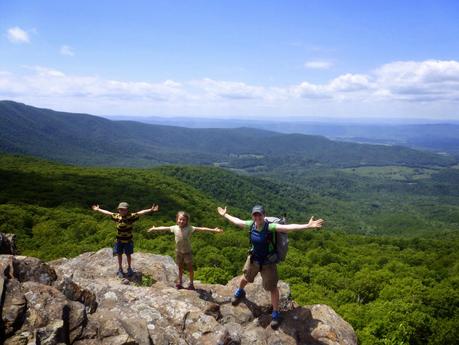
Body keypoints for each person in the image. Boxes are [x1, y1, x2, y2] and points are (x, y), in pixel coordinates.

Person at [217, 205, 324, 329]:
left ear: (264, 215)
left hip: (268, 262)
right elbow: (237, 221)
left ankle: (275, 313)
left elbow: (288, 228)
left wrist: (307, 226)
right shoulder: (251, 224)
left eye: (259, 215)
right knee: (245, 278)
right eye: (255, 215)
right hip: (253, 259)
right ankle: (240, 292)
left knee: (272, 288)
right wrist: (225, 215)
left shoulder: (270, 227)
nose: (257, 217)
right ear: (253, 216)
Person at [147, 211, 223, 290]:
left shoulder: (189, 228)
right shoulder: (174, 228)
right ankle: (180, 283)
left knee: (190, 268)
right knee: (180, 268)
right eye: (180, 219)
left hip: (187, 252)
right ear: (177, 219)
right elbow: (164, 228)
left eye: (184, 220)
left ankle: (191, 284)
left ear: (187, 221)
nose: (181, 221)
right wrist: (154, 228)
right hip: (178, 252)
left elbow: (202, 229)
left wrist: (214, 230)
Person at [92, 202, 159, 277]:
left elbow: (140, 213)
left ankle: (129, 268)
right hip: (119, 241)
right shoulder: (117, 216)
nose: (122, 211)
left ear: (127, 210)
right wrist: (98, 209)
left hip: (128, 241)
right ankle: (120, 269)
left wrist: (151, 210)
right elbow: (108, 213)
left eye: (124, 209)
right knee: (119, 254)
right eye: (120, 209)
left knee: (128, 255)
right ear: (118, 210)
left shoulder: (131, 216)